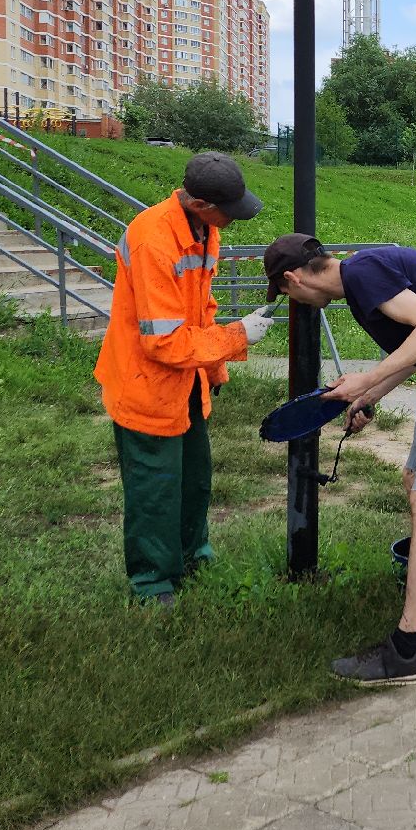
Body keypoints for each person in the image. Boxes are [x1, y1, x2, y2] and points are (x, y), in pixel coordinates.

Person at [264, 234, 416, 686]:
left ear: (293, 278)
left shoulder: (362, 272)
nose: (293, 302)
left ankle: (405, 650)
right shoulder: (362, 277)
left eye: (286, 294)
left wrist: (368, 377)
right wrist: (367, 393)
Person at [95, 152, 275, 605]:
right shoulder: (154, 239)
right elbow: (164, 342)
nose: (232, 220)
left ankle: (194, 556)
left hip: (187, 384)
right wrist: (236, 337)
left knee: (194, 480)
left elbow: (202, 305)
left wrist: (214, 366)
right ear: (199, 204)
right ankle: (153, 582)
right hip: (146, 386)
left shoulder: (205, 230)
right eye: (227, 211)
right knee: (155, 488)